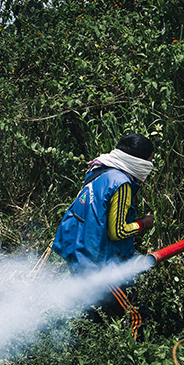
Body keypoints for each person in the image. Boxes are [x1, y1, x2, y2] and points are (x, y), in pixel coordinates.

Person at [52, 133, 155, 339]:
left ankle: (82, 358)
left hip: (80, 254)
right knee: (134, 315)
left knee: (91, 316)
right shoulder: (122, 183)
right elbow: (117, 232)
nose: (151, 164)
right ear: (140, 160)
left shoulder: (99, 171)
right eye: (150, 159)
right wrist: (144, 224)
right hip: (101, 265)